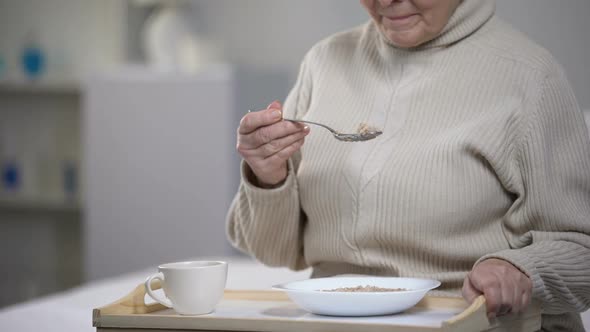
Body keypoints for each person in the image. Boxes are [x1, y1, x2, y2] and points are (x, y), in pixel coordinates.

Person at [226, 0, 590, 330]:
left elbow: (581, 250)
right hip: (329, 323)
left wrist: (520, 269)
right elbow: (272, 252)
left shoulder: (531, 77)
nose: (385, 2)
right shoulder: (325, 61)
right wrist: (268, 176)